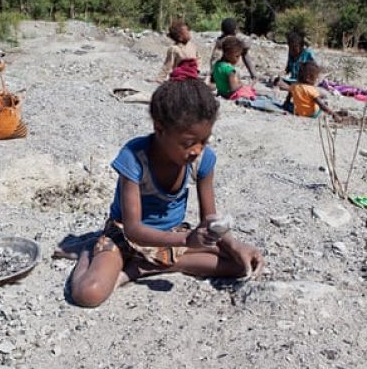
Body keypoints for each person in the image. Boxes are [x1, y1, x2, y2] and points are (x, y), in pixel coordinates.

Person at [68, 79, 264, 307]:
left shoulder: (202, 160)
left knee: (241, 265)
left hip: (171, 236)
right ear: (160, 130)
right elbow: (133, 229)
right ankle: (88, 251)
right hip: (126, 236)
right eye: (189, 142)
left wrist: (234, 244)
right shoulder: (135, 157)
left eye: (204, 140)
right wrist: (185, 240)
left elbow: (209, 219)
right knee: (88, 294)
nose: (197, 150)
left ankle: (144, 267)